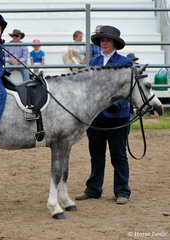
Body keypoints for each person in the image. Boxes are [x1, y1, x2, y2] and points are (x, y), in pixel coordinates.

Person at [75, 25, 133, 205]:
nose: (104, 43)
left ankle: (122, 190)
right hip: (96, 117)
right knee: (96, 154)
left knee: (118, 154)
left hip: (118, 116)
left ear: (114, 43)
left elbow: (129, 89)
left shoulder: (125, 62)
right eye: (102, 40)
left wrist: (119, 104)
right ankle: (93, 189)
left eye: (107, 40)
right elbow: (88, 88)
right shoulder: (93, 62)